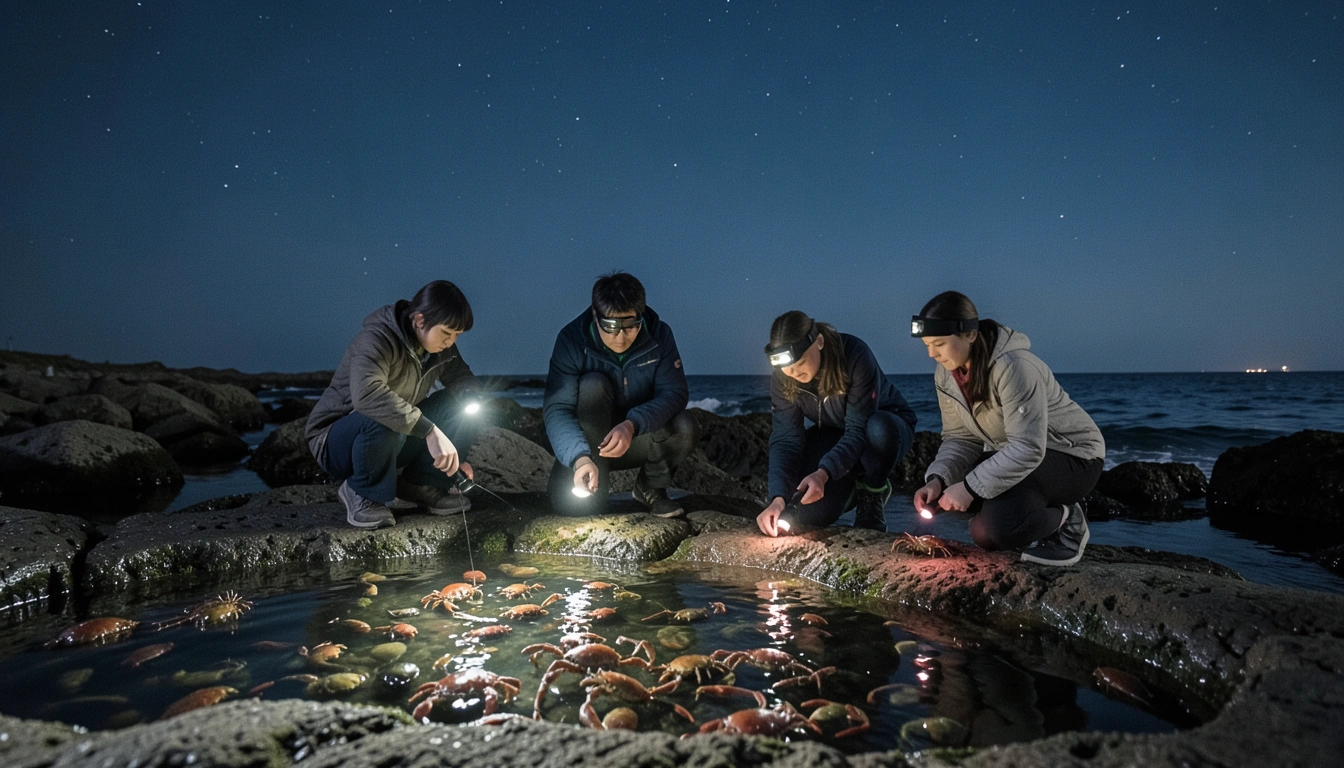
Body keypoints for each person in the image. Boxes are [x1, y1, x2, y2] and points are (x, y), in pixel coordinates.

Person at [910, 291, 1105, 566]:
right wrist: (939, 479)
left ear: (970, 335)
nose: (932, 354)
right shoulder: (946, 374)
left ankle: (1070, 518)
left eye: (939, 343)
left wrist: (969, 488)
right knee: (983, 533)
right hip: (1021, 456)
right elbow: (960, 438)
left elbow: (1028, 447)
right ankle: (1033, 512)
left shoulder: (1014, 367)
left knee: (1001, 527)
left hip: (1074, 457)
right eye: (928, 345)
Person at [306, 280, 485, 529]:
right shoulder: (377, 339)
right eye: (446, 333)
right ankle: (361, 490)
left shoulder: (442, 349)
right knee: (384, 410)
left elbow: (461, 377)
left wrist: (468, 410)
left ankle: (422, 484)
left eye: (457, 335)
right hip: (337, 441)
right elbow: (368, 396)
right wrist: (431, 431)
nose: (451, 341)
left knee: (462, 406)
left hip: (392, 438)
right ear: (420, 320)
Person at [543, 271, 699, 518]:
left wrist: (632, 424)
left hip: (637, 438)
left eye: (631, 326)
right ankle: (591, 475)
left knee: (685, 425)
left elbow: (675, 392)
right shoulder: (572, 340)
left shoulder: (660, 335)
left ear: (641, 314)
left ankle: (650, 488)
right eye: (611, 327)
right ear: (596, 315)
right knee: (593, 385)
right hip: (590, 444)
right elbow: (557, 408)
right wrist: (578, 457)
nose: (621, 337)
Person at [756, 311, 917, 537]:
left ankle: (872, 489)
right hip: (834, 433)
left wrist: (823, 473)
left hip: (882, 430)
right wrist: (778, 498)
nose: (793, 374)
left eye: (800, 363)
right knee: (809, 514)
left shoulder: (854, 355)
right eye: (787, 368)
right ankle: (849, 486)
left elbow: (858, 429)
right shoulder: (785, 377)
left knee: (878, 429)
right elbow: (786, 440)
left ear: (819, 342)